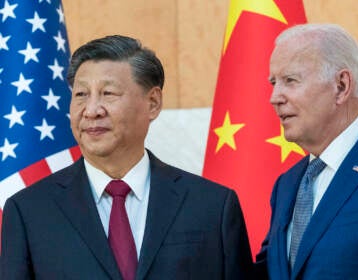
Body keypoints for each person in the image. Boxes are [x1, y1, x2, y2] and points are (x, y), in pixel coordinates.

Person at [0, 35, 253, 279]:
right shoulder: (28, 212)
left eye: (108, 93)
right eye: (81, 95)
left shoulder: (213, 206)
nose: (91, 110)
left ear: (152, 103)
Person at [254, 23, 358, 279]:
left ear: (341, 86)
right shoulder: (288, 184)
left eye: (290, 80)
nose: (274, 97)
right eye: (273, 83)